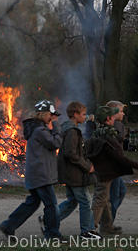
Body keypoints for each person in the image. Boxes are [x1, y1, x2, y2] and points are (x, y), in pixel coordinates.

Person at [0, 100, 64, 241]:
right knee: (51, 205)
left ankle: (9, 225)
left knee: (32, 203)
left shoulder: (36, 128)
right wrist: (57, 126)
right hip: (41, 175)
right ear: (43, 114)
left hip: (35, 174)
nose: (52, 118)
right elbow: (55, 143)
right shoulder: (40, 130)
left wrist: (52, 127)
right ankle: (52, 234)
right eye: (51, 115)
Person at [85, 105, 138, 236]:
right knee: (100, 199)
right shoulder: (108, 134)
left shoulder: (97, 132)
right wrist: (134, 164)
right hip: (105, 171)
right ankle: (90, 228)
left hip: (102, 170)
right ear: (109, 118)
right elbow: (117, 154)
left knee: (105, 200)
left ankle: (106, 226)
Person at [51, 101, 100, 240]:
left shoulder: (69, 128)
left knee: (72, 200)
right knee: (85, 201)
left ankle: (49, 220)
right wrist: (87, 166)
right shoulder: (72, 131)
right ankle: (87, 231)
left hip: (70, 172)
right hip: (74, 173)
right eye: (83, 114)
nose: (85, 117)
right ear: (75, 115)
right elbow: (70, 153)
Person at [107, 100, 127, 222]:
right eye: (121, 111)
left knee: (121, 191)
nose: (123, 114)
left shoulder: (115, 124)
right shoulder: (115, 125)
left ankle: (106, 219)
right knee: (114, 195)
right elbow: (120, 137)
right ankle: (107, 222)